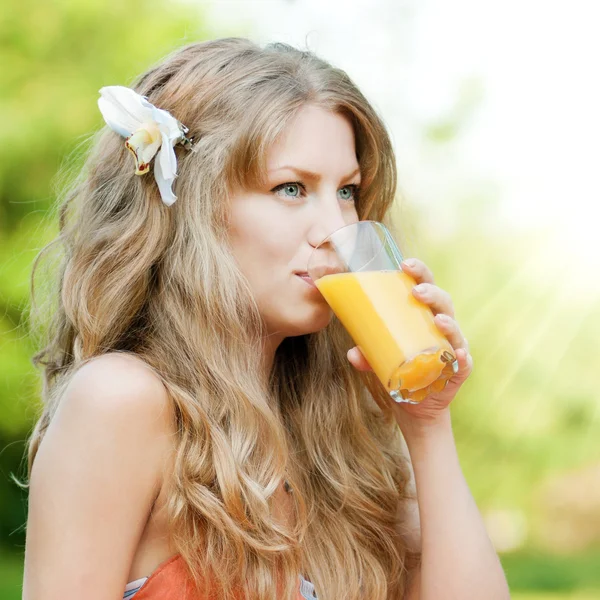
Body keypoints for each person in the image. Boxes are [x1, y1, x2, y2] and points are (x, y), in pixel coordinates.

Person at [20, 37, 510, 600]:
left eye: (347, 191)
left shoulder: (343, 440)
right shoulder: (123, 400)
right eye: (291, 188)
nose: (333, 226)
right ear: (196, 207)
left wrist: (427, 428)